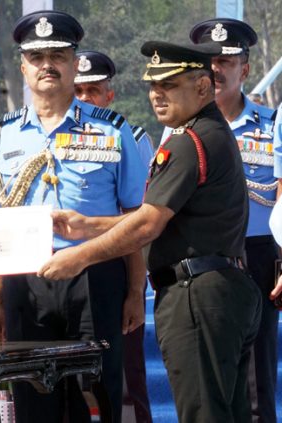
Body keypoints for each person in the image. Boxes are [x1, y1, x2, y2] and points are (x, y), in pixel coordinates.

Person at [38, 40, 262, 422]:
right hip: (220, 289)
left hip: (197, 296)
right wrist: (89, 225)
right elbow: (162, 215)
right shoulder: (209, 133)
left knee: (204, 414)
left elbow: (147, 225)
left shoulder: (188, 142)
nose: (157, 95)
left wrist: (77, 257)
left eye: (170, 85)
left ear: (203, 87)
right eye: (153, 86)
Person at [0, 11, 147, 422]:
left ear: (73, 63)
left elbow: (135, 218)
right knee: (33, 399)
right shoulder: (2, 135)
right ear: (23, 67)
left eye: (58, 55)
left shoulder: (112, 130)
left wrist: (136, 291)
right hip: (26, 283)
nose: (47, 64)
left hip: (96, 276)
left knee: (99, 396)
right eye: (37, 57)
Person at [189, 19, 279, 423]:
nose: (217, 68)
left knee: (258, 380)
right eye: (209, 60)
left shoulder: (272, 124)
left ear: (244, 69)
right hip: (204, 260)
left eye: (227, 60)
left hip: (258, 255)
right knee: (206, 375)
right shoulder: (182, 127)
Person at [73, 49, 153, 423]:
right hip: (62, 275)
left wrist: (136, 288)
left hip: (114, 269)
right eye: (79, 91)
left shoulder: (129, 137)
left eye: (93, 90)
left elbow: (136, 218)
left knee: (124, 377)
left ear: (110, 95)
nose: (85, 98)